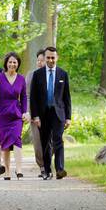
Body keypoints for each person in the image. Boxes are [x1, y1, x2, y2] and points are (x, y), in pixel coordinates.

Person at [29, 45, 72, 180]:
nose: (50, 60)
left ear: (57, 58)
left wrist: (68, 117)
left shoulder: (62, 74)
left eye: (53, 58)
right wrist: (35, 115)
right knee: (45, 142)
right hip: (43, 114)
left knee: (58, 140)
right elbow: (34, 98)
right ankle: (47, 171)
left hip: (58, 113)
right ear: (45, 58)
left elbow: (67, 98)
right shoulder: (37, 74)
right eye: (48, 57)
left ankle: (60, 169)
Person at [0, 51, 28, 179]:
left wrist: (25, 112)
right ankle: (6, 172)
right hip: (2, 114)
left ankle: (19, 169)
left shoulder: (21, 79)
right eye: (10, 62)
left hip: (16, 114)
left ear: (18, 64)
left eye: (15, 62)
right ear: (6, 63)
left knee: (17, 139)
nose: (12, 64)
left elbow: (23, 97)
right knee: (5, 143)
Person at [28, 48, 47, 171]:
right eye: (38, 60)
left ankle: (48, 161)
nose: (39, 63)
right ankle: (42, 166)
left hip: (51, 113)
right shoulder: (31, 75)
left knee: (51, 139)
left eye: (42, 60)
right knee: (37, 140)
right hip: (35, 112)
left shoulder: (54, 74)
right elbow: (26, 95)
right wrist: (28, 112)